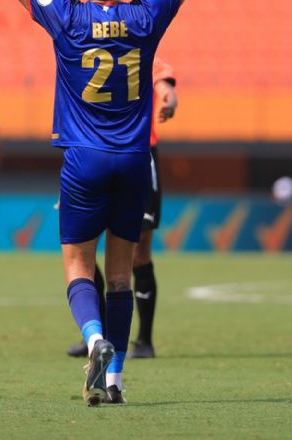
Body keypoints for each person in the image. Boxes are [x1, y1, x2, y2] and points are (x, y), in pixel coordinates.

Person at [0, 0, 232, 406]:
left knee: (79, 268)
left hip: (82, 160)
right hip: (133, 159)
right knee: (122, 272)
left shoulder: (68, 16)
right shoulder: (146, 14)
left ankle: (94, 339)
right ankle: (116, 380)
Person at [66, 57, 178, 360]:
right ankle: (96, 336)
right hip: (91, 154)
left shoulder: (138, 36)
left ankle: (144, 340)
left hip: (138, 154)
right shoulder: (88, 39)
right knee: (85, 250)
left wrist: (166, 88)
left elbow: (160, 71)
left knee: (139, 252)